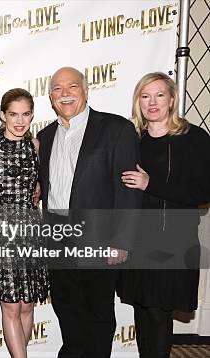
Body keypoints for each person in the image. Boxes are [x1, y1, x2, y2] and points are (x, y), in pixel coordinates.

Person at [36, 67, 141, 358]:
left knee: (98, 312)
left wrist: (121, 240)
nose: (65, 94)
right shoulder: (44, 137)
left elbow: (128, 190)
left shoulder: (115, 129)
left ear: (86, 90)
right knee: (67, 308)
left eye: (72, 87)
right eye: (57, 89)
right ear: (50, 97)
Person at [117, 72, 210, 358]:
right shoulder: (133, 140)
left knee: (158, 312)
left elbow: (202, 192)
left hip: (174, 241)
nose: (152, 102)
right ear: (138, 102)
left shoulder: (193, 138)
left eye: (159, 95)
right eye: (145, 96)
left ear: (171, 99)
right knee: (142, 310)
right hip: (137, 240)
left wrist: (151, 184)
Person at [0, 88, 49, 358]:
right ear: (2, 115)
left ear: (32, 116)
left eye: (26, 114)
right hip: (0, 233)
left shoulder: (36, 146)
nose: (20, 121)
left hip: (31, 231)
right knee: (10, 307)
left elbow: (40, 184)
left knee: (27, 306)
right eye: (13, 114)